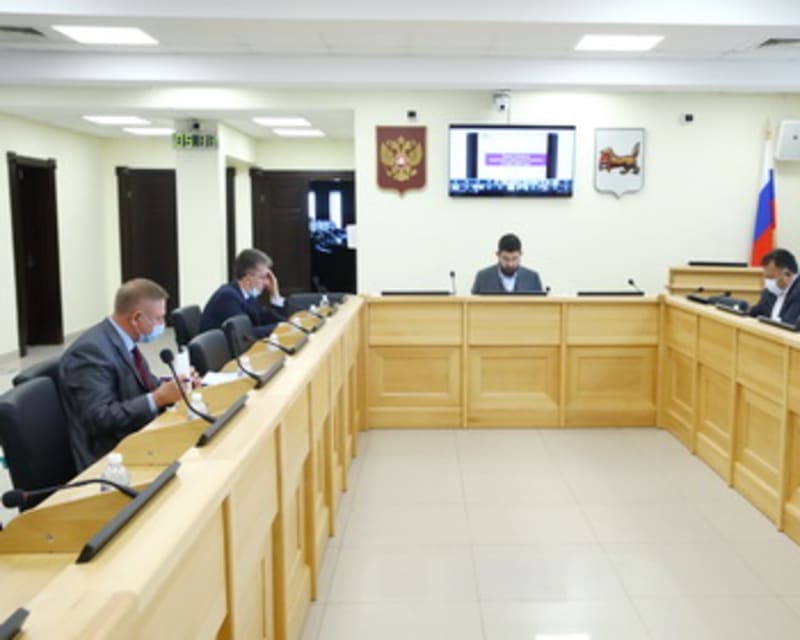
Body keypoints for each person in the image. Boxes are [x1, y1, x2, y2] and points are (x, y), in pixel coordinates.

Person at [59, 278, 186, 470]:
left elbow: (146, 384)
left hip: (133, 435)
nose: (163, 324)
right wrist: (157, 399)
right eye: (159, 318)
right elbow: (99, 417)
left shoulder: (124, 340)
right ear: (136, 318)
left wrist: (177, 384)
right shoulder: (90, 351)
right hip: (109, 456)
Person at [199, 248, 286, 338]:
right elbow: (244, 334)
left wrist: (275, 295)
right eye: (263, 277)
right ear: (248, 278)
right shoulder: (228, 297)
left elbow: (263, 318)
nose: (267, 282)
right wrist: (280, 327)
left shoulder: (247, 295)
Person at [471, 233, 543, 294]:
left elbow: (540, 305)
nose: (510, 264)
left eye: (514, 258)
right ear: (497, 255)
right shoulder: (483, 278)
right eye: (505, 259)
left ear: (521, 254)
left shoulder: (533, 278)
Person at [748, 248, 800, 324]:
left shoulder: (797, 292)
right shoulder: (769, 292)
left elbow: (788, 323)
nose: (768, 282)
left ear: (787, 274)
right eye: (766, 278)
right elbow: (756, 312)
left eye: (771, 278)